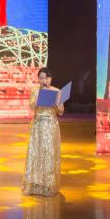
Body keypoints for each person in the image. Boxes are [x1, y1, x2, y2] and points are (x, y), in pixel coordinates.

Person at [22, 67, 64, 197]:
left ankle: (49, 184)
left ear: (50, 79)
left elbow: (61, 112)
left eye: (46, 78)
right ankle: (35, 183)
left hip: (50, 125)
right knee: (36, 153)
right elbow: (31, 106)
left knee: (49, 153)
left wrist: (55, 105)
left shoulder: (57, 91)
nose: (43, 80)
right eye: (41, 78)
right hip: (38, 125)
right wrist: (39, 97)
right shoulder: (35, 90)